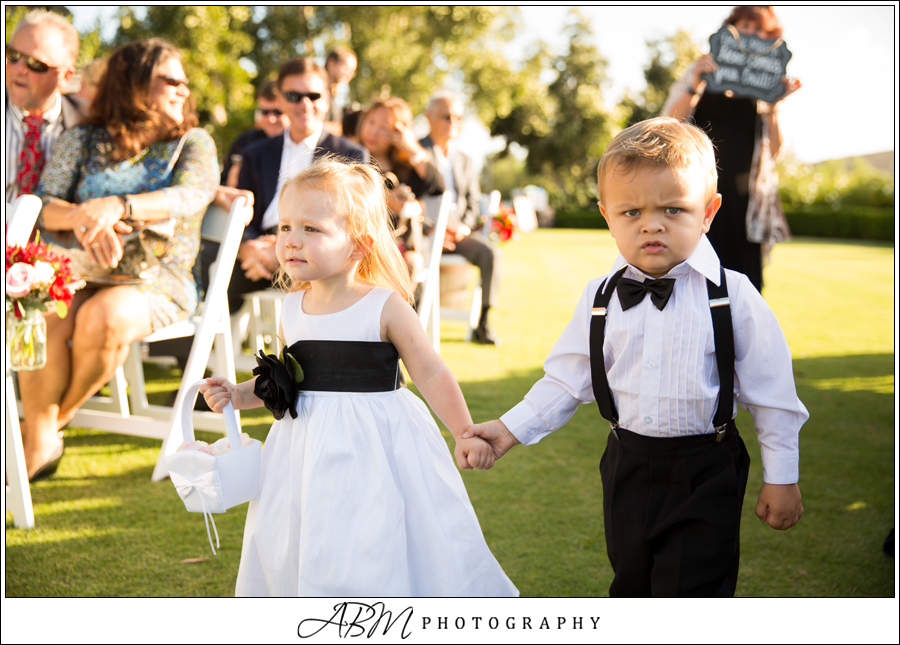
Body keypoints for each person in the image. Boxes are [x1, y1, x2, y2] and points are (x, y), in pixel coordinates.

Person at [464, 117, 808, 597]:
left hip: (705, 469)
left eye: (673, 208)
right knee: (630, 585)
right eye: (631, 212)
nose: (651, 224)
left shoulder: (735, 296)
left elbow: (772, 395)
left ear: (708, 213)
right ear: (607, 215)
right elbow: (567, 381)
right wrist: (506, 431)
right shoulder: (599, 295)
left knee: (692, 591)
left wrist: (782, 477)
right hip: (626, 463)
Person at [198, 158, 518, 597]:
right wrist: (237, 394)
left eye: (312, 229)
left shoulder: (384, 307)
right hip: (304, 449)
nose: (291, 241)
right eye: (285, 227)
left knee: (370, 536)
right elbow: (288, 380)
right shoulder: (290, 309)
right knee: (307, 533)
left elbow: (429, 370)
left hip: (377, 446)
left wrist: (464, 432)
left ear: (358, 244)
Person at [19, 38, 219, 481]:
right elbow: (42, 202)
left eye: (185, 81)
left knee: (102, 319)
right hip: (81, 269)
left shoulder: (192, 143)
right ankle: (41, 440)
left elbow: (191, 195)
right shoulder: (84, 139)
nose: (183, 88)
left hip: (159, 277)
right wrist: (88, 218)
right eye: (171, 78)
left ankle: (43, 431)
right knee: (40, 313)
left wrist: (119, 206)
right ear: (134, 82)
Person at [661, 5, 801, 292]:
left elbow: (775, 151)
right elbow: (667, 125)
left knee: (742, 280)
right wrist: (695, 82)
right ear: (730, 29)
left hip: (744, 198)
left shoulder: (769, 84)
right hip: (697, 190)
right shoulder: (703, 68)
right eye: (746, 26)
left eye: (761, 30)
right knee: (693, 276)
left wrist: (774, 105)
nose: (752, 34)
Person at [217, 56, 368, 316]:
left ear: (327, 98)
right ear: (280, 98)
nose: (305, 104)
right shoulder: (255, 153)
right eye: (293, 95)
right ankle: (192, 352)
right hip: (257, 257)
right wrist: (247, 248)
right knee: (211, 263)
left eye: (314, 95)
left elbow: (348, 226)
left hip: (317, 260)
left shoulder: (352, 156)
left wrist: (282, 249)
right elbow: (244, 217)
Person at [420, 92, 501, 345]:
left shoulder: (466, 159)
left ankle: (483, 323)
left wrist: (464, 227)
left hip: (458, 233)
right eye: (446, 116)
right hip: (425, 233)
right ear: (429, 117)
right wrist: (432, 230)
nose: (453, 122)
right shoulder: (416, 152)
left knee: (490, 253)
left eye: (458, 118)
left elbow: (474, 201)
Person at [5, 9, 88, 203]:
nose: (19, 69)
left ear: (66, 76)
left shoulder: (90, 124)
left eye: (35, 63)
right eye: (13, 54)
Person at [357, 97, 444, 276]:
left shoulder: (404, 170)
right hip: (359, 243)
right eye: (371, 122)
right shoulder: (351, 156)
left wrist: (410, 147)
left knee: (413, 263)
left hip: (399, 245)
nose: (373, 132)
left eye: (384, 128)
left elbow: (437, 185)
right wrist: (385, 200)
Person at [219, 80, 289, 188]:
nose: (271, 119)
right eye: (265, 112)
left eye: (277, 112)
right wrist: (231, 184)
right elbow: (222, 185)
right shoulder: (244, 143)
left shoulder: (304, 145)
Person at [323, 47, 357, 136]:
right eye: (346, 67)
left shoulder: (335, 94)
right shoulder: (317, 91)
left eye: (352, 71)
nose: (349, 74)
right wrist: (342, 128)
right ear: (331, 63)